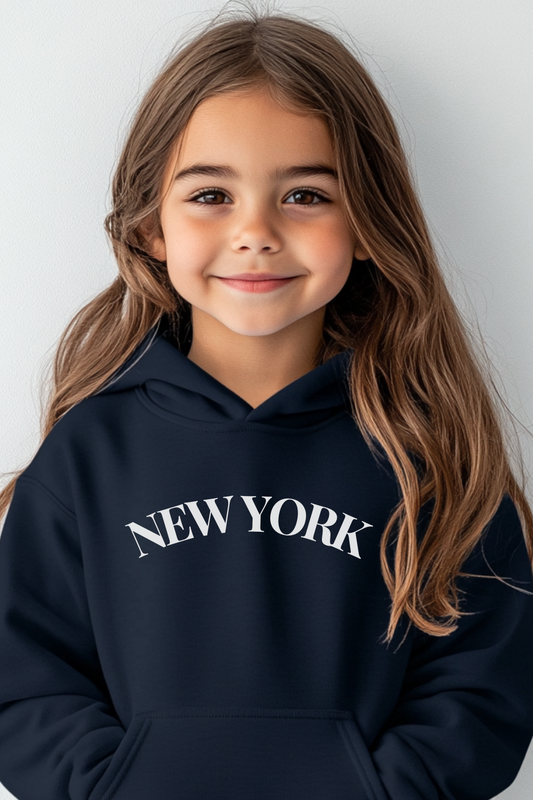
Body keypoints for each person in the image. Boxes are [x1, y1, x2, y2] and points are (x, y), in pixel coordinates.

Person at [1, 5, 532, 800]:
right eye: (211, 195)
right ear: (151, 226)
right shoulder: (88, 454)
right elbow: (26, 680)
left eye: (305, 196)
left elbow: (482, 687)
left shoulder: (430, 451)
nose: (255, 232)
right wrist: (112, 787)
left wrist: (384, 790)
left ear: (365, 223)